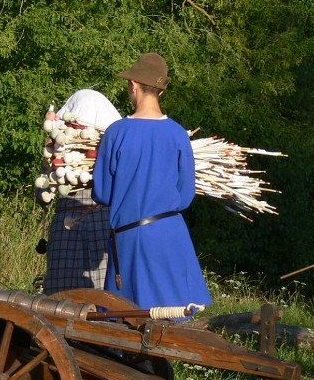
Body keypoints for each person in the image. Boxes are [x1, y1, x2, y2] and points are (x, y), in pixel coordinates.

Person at [92, 52, 212, 311]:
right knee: (172, 315)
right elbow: (185, 195)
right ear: (160, 91)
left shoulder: (117, 133)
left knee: (126, 316)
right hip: (170, 234)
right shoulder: (178, 134)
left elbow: (102, 192)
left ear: (134, 85)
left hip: (131, 238)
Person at [41, 90, 121, 296]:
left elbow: (43, 194)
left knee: (64, 295)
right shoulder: (107, 149)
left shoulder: (65, 149)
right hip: (98, 221)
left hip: (73, 222)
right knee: (100, 291)